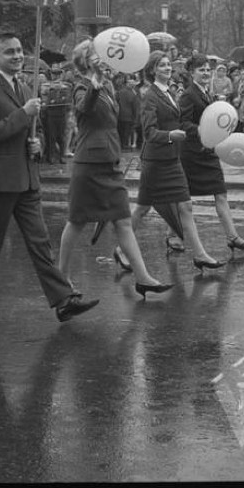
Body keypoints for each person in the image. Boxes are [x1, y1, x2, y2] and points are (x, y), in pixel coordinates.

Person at [0, 30, 99, 324]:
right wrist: (25, 115)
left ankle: (63, 300)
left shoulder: (25, 88)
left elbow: (29, 132)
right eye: (9, 52)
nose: (17, 56)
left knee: (40, 242)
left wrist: (36, 144)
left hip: (26, 177)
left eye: (18, 50)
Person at [57, 41, 171, 299]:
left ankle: (142, 277)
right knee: (76, 221)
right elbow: (83, 107)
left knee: (123, 220)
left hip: (110, 161)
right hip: (89, 163)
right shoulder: (82, 85)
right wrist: (94, 86)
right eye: (96, 55)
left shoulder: (109, 85)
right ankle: (61, 276)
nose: (103, 58)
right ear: (86, 60)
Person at [116, 51, 224, 272]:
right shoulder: (149, 95)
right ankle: (120, 250)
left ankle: (201, 255)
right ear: (153, 70)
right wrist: (170, 135)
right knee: (143, 209)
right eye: (162, 65)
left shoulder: (169, 92)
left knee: (186, 206)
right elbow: (148, 132)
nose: (167, 68)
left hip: (172, 160)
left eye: (168, 65)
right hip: (155, 161)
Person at [178, 54, 244, 254]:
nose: (205, 73)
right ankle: (173, 237)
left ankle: (233, 236)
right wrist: (201, 130)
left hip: (208, 153)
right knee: (184, 199)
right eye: (200, 69)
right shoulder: (188, 94)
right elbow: (183, 123)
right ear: (192, 72)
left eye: (207, 70)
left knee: (220, 193)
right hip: (192, 154)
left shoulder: (207, 93)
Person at [115, 74, 140, 150]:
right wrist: (136, 119)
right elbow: (135, 107)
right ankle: (125, 146)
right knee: (127, 133)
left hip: (119, 116)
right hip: (129, 117)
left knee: (120, 132)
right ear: (128, 84)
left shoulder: (119, 92)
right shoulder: (133, 94)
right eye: (131, 83)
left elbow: (116, 103)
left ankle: (121, 145)